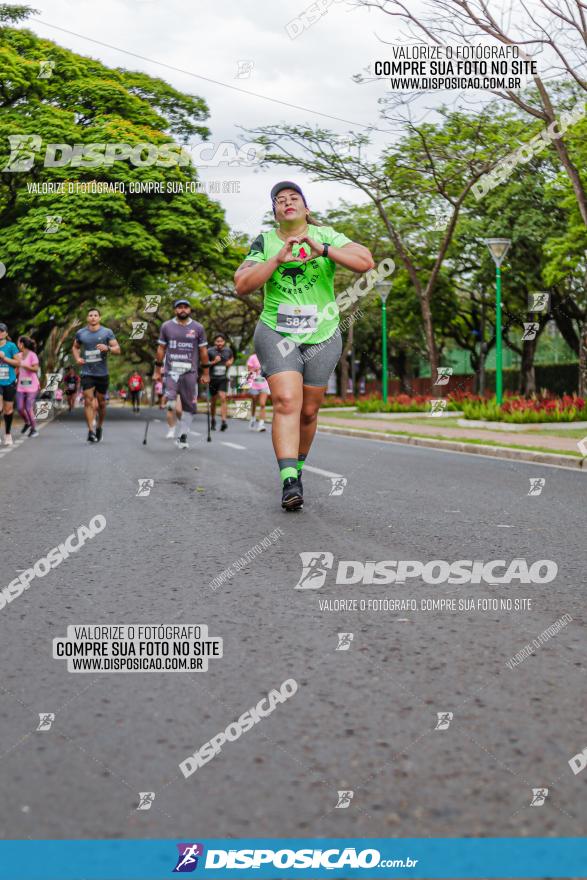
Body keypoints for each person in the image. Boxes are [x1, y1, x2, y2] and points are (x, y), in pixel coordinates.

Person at [234, 181, 374, 510]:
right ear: (275, 213)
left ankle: (297, 468)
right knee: (286, 401)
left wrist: (322, 249)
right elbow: (242, 284)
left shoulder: (326, 235)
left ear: (306, 208)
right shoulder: (265, 241)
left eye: (293, 198)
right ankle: (288, 481)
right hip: (276, 331)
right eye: (280, 201)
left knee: (309, 412)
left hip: (322, 333)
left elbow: (366, 261)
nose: (287, 203)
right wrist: (277, 260)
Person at [154, 299, 209, 449]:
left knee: (189, 406)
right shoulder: (166, 326)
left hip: (190, 372)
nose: (182, 310)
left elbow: (204, 352)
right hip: (171, 371)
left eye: (185, 307)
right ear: (175, 310)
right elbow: (160, 349)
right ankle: (175, 425)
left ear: (190, 310)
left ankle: (183, 435)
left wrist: (206, 373)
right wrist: (157, 370)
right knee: (171, 403)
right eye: (179, 307)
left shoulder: (198, 327)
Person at [72, 308, 120, 442]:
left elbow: (118, 349)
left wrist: (108, 348)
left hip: (102, 373)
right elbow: (75, 347)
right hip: (87, 372)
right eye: (90, 315)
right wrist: (77, 358)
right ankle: (90, 431)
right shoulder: (81, 333)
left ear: (99, 318)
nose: (93, 317)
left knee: (102, 403)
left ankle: (99, 426)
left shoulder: (107, 332)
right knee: (88, 400)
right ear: (87, 318)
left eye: (95, 315)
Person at [207, 334, 234, 431]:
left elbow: (231, 358)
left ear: (224, 342)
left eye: (221, 341)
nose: (219, 343)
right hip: (213, 379)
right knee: (213, 401)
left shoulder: (228, 350)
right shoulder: (210, 351)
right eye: (217, 341)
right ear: (215, 342)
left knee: (223, 398)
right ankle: (213, 419)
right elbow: (204, 365)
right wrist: (214, 362)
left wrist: (230, 363)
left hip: (223, 379)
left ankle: (223, 421)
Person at [0, 322, 20, 446]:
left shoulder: (11, 346)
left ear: (6, 333)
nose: (0, 333)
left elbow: (18, 363)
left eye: (2, 330)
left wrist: (4, 358)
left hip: (9, 381)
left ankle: (7, 433)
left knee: (8, 409)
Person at [16, 336, 40, 437]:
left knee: (28, 407)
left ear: (22, 344)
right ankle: (27, 422)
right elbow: (16, 369)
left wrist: (24, 365)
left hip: (32, 386)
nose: (17, 344)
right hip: (21, 386)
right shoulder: (18, 355)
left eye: (18, 342)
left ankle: (34, 429)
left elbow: (35, 369)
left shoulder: (32, 355)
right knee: (20, 408)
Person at [246, 352, 269, 431]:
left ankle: (261, 424)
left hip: (264, 384)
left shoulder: (267, 356)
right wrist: (255, 369)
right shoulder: (252, 357)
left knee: (262, 404)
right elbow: (249, 371)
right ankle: (252, 418)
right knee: (254, 402)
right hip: (254, 384)